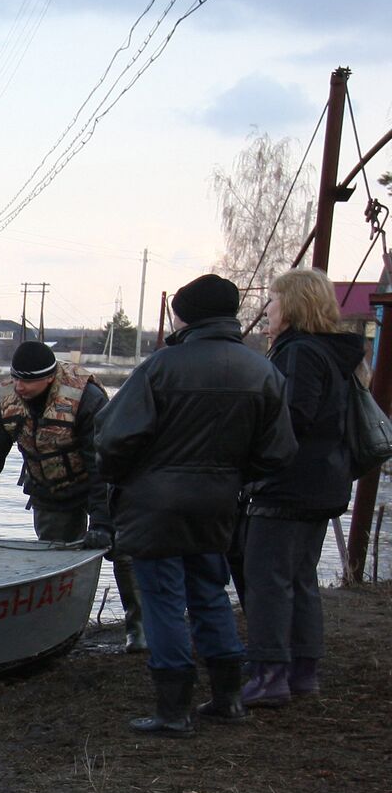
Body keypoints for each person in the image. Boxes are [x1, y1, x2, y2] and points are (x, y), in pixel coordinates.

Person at [95, 273, 296, 736]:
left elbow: (112, 437)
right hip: (220, 501)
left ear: (184, 316)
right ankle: (228, 700)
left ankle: (173, 711)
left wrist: (121, 477)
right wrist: (233, 476)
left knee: (163, 600)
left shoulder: (162, 367)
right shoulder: (263, 370)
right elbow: (279, 452)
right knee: (209, 592)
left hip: (155, 505)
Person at [0, 340, 143, 650]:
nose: (20, 386)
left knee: (124, 551)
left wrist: (101, 522)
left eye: (27, 380)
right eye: (15, 378)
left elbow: (103, 466)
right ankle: (59, 631)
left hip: (101, 482)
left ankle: (139, 627)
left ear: (49, 377)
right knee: (56, 560)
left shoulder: (87, 398)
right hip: (51, 489)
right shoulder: (5, 402)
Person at [239, 268, 367, 706]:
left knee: (267, 578)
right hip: (323, 480)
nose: (267, 310)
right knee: (299, 578)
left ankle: (269, 674)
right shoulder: (335, 352)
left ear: (291, 306)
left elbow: (291, 418)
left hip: (288, 486)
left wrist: (252, 460)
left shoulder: (299, 352)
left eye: (272, 302)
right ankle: (302, 671)